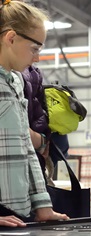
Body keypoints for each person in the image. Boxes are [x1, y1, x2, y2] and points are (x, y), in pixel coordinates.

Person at [0, 0, 69, 227]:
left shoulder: (17, 82)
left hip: (17, 212)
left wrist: (42, 206)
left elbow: (28, 149)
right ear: (11, 38)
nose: (37, 58)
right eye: (34, 49)